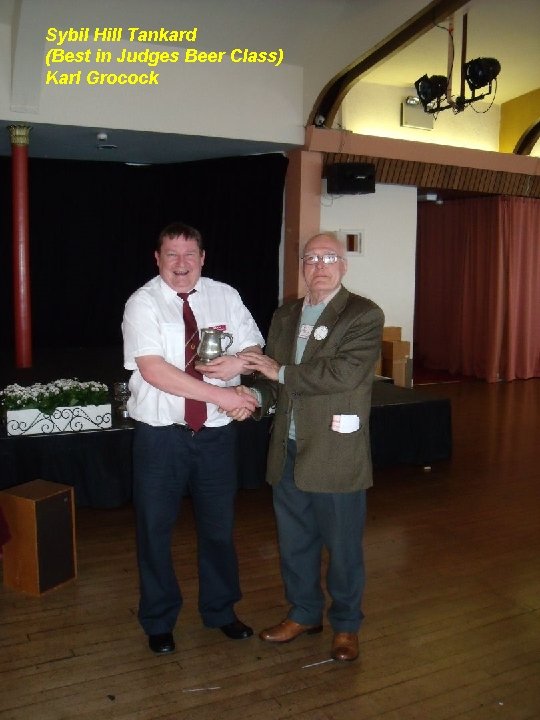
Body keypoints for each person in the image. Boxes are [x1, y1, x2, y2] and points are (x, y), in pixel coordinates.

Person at [237, 231, 384, 662]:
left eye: (328, 257)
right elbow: (274, 384)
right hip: (288, 448)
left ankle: (346, 625)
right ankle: (303, 613)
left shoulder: (362, 314)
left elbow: (343, 374)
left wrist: (278, 373)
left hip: (335, 451)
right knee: (295, 541)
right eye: (310, 258)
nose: (319, 266)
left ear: (344, 265)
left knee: (342, 548)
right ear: (301, 265)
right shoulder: (285, 315)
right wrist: (252, 400)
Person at [122, 221, 263, 654]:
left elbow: (254, 345)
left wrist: (237, 367)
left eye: (189, 255)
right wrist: (225, 396)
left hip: (216, 438)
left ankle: (220, 610)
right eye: (171, 255)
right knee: (154, 531)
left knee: (219, 529)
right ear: (158, 259)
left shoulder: (226, 294)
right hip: (161, 439)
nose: (181, 264)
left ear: (203, 257)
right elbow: (155, 371)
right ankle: (159, 619)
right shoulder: (142, 303)